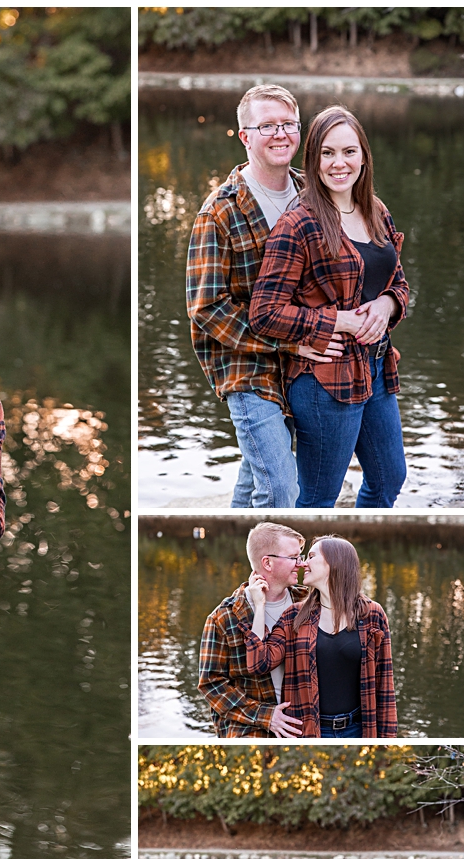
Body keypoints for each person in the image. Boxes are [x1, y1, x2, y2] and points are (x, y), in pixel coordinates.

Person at [186, 85, 343, 508]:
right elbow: (207, 308)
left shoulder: (316, 194)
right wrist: (290, 340)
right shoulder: (220, 211)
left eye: (288, 124)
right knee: (278, 487)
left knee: (256, 479)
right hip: (247, 364)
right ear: (245, 136)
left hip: (305, 358)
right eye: (267, 125)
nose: (280, 134)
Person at [249, 105, 410, 508]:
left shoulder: (376, 211)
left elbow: (399, 283)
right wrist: (338, 321)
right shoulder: (299, 223)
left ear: (364, 156)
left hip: (375, 366)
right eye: (327, 153)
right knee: (319, 496)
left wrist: (388, 305)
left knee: (390, 478)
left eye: (349, 152)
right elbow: (264, 312)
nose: (339, 163)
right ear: (313, 158)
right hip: (325, 377)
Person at [243, 534, 397, 738]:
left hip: (359, 730)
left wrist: (386, 742)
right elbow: (258, 663)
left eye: (311, 556)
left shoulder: (372, 615)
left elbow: (384, 686)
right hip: (309, 731)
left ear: (334, 563)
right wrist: (260, 604)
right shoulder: (295, 616)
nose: (303, 563)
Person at [197, 522, 307, 738]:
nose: (300, 564)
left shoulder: (308, 602)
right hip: (250, 728)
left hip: (302, 722)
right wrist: (267, 716)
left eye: (300, 557)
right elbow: (211, 684)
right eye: (293, 557)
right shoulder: (222, 618)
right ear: (267, 563)